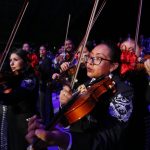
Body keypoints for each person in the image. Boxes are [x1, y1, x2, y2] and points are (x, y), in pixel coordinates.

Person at [26, 41, 134, 150]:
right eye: (90, 57)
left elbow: (111, 137)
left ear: (113, 66)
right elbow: (71, 122)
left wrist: (65, 140)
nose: (90, 62)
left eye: (98, 58)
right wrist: (65, 105)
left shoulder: (123, 91)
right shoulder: (87, 84)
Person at [0, 48, 39, 150]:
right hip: (13, 121)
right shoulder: (13, 77)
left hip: (26, 123)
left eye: (15, 60)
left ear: (25, 61)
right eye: (10, 60)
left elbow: (12, 98)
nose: (11, 63)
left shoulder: (29, 79)